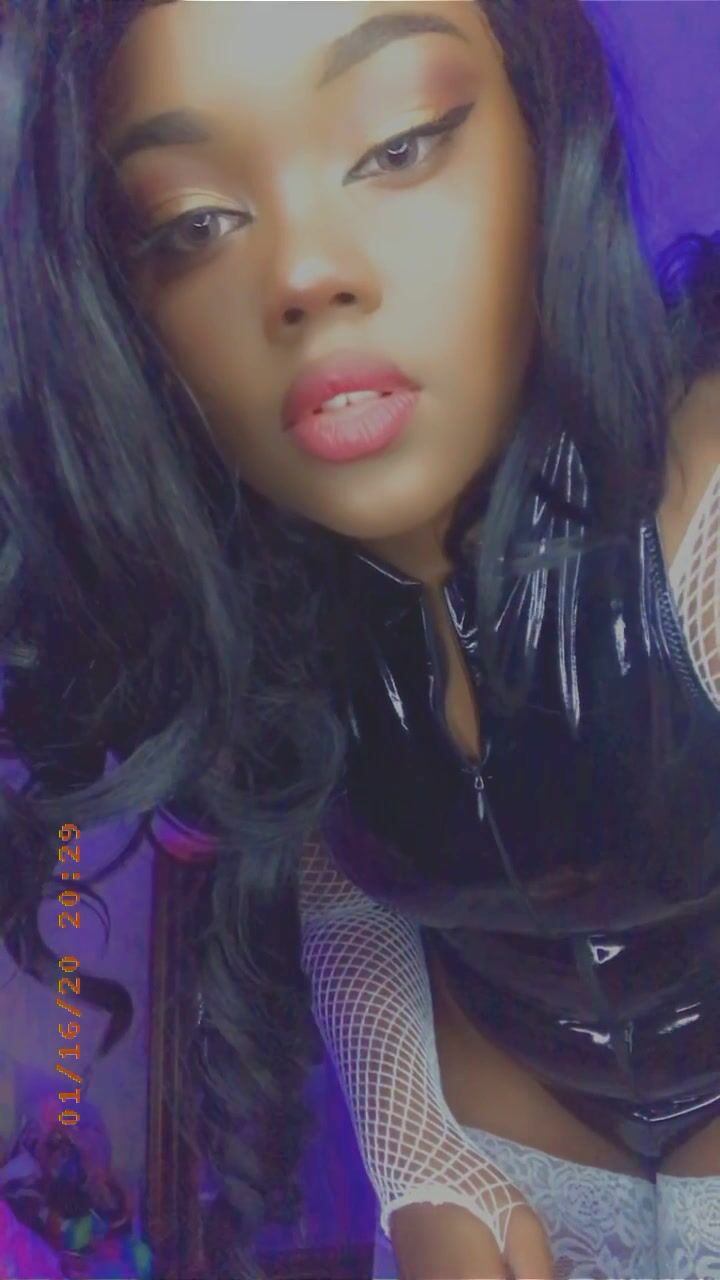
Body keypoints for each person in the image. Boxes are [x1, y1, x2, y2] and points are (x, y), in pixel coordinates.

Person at [0, 1, 719, 1277]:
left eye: (398, 143)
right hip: (511, 1160)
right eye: (192, 223)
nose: (301, 273)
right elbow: (346, 881)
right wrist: (416, 1151)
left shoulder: (698, 506)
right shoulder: (273, 617)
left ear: (543, 129)